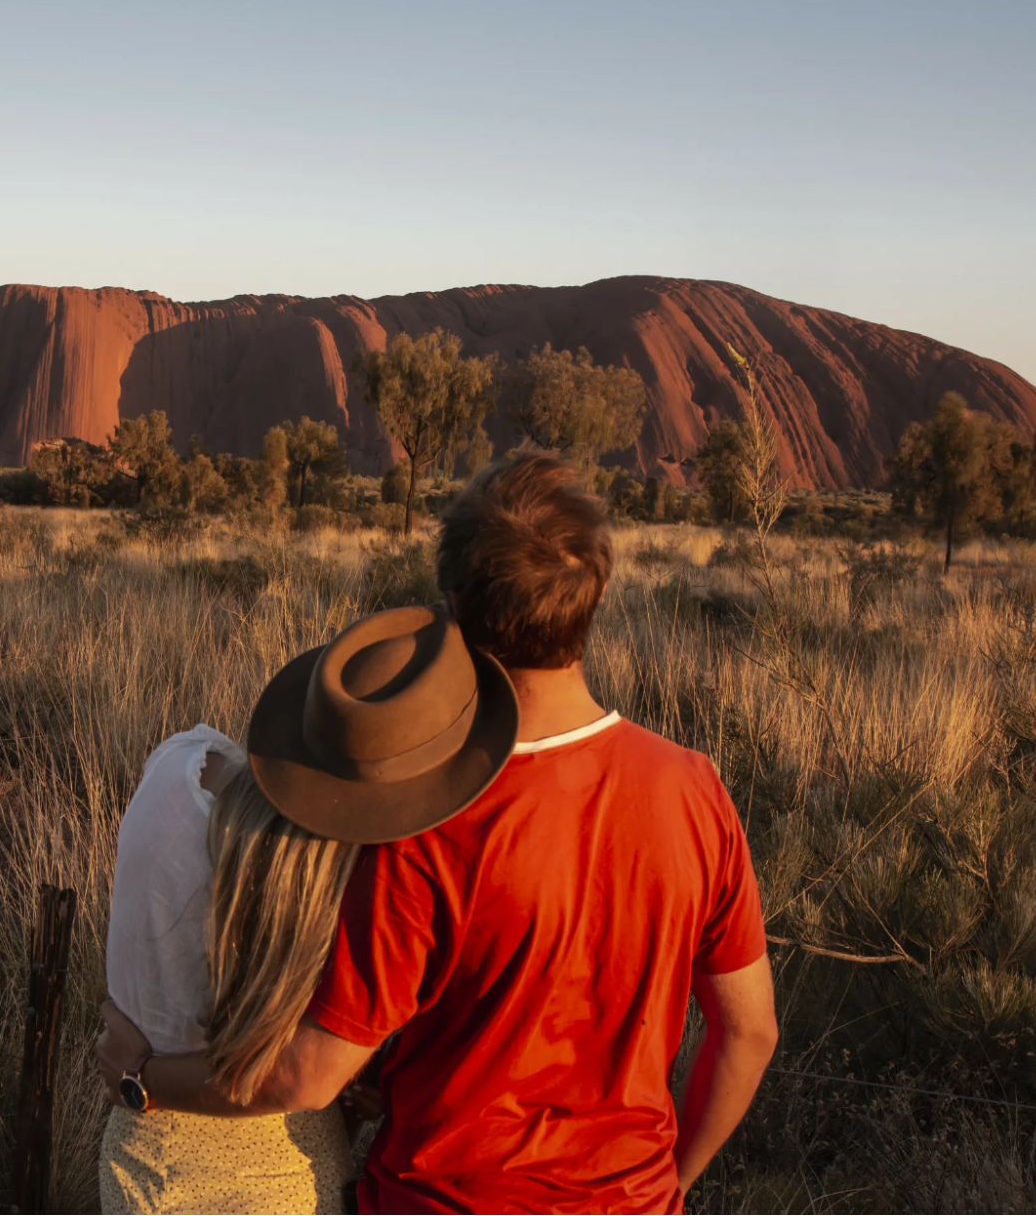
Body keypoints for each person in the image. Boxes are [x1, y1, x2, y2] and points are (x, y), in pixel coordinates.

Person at [100, 452, 777, 1214]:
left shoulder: (423, 826)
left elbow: (313, 1074)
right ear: (594, 595)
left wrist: (145, 1079)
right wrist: (667, 1184)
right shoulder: (696, 789)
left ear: (452, 604)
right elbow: (747, 1032)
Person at [100, 598, 521, 1215]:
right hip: (289, 1174)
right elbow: (314, 1075)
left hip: (139, 1160)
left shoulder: (176, 765)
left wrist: (139, 1073)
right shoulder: (353, 896)